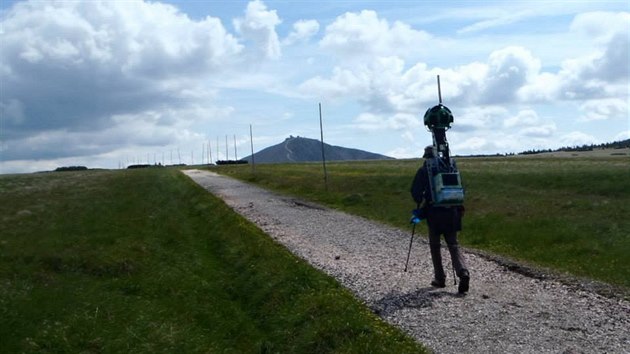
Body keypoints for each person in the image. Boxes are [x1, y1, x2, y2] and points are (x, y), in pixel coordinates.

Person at [410, 145, 469, 294]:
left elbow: (415, 192)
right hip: (452, 212)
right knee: (453, 245)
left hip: (434, 213)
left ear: (426, 156)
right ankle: (463, 272)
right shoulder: (450, 167)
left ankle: (440, 278)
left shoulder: (424, 171)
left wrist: (420, 200)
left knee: (435, 246)